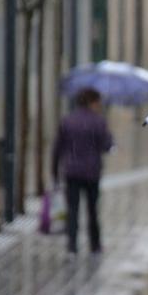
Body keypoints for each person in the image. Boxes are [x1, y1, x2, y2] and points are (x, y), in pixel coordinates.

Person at [52, 88, 113, 255]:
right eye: (98, 102)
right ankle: (95, 245)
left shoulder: (68, 121)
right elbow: (106, 145)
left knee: (73, 210)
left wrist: (54, 172)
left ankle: (72, 246)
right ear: (92, 102)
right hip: (92, 172)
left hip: (72, 172)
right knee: (92, 210)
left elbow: (57, 148)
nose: (99, 105)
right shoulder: (99, 122)